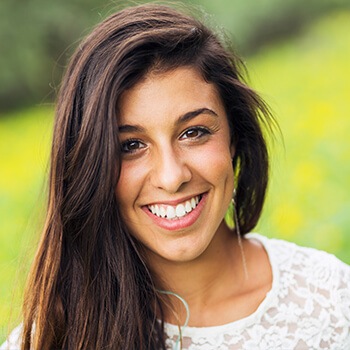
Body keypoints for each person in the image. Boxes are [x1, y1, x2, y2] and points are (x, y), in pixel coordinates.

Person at [2, 3, 350, 350]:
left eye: (194, 132)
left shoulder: (331, 303)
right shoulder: (48, 339)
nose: (171, 177)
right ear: (89, 167)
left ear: (234, 137)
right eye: (132, 145)